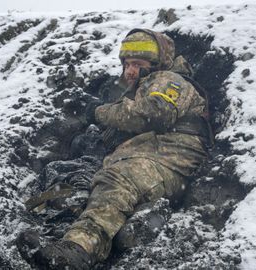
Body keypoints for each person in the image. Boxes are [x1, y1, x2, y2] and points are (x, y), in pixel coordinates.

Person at [17, 28, 210, 269]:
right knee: (95, 183)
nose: (130, 71)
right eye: (126, 64)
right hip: (152, 166)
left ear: (158, 63)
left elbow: (154, 114)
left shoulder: (169, 80)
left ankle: (76, 252)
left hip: (167, 162)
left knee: (116, 180)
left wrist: (100, 112)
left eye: (137, 63)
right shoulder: (142, 90)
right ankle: (124, 233)